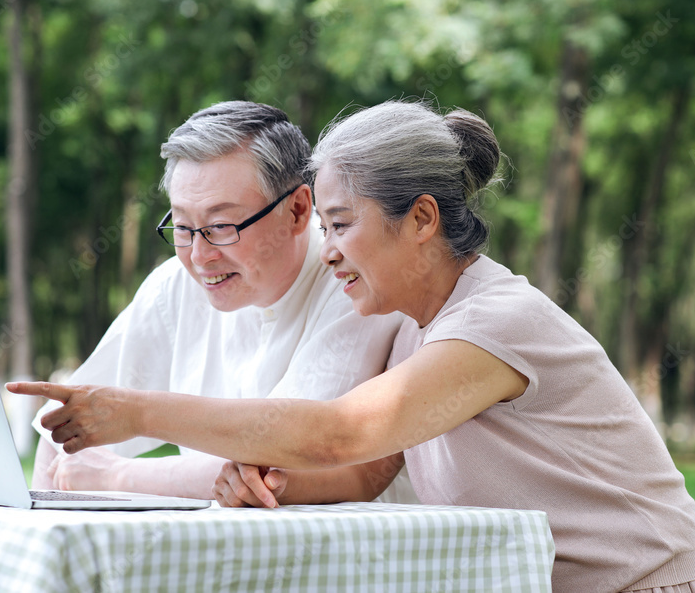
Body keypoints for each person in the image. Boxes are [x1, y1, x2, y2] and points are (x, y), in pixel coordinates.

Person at [11, 101, 695, 592]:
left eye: (342, 225)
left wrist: (138, 414)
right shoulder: (415, 324)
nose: (327, 251)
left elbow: (340, 432)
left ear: (420, 220)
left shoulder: (495, 321)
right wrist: (271, 479)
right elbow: (364, 465)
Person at [28, 100, 414, 503]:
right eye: (182, 227)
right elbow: (64, 429)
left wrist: (119, 476)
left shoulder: (355, 280)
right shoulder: (175, 286)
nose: (199, 256)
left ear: (298, 210)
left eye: (220, 227)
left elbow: (290, 456)